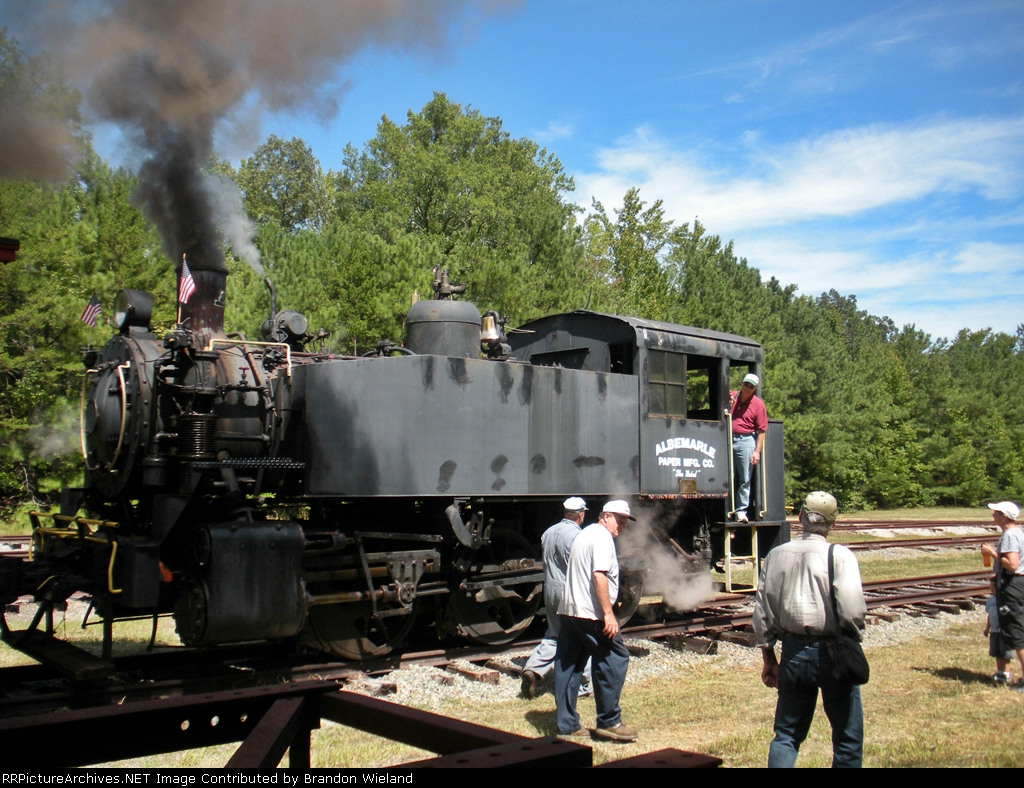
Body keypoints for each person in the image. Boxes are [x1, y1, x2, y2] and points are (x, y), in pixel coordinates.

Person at [753, 491, 867, 768]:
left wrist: (769, 657)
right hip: (832, 653)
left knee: (786, 735)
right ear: (833, 523)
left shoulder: (775, 555)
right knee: (847, 739)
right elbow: (853, 612)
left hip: (791, 652)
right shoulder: (840, 556)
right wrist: (852, 640)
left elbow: (761, 613)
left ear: (800, 517)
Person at [553, 500, 638, 742]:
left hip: (570, 609)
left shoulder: (585, 533)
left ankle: (567, 724)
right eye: (619, 520)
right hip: (590, 612)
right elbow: (599, 575)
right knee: (615, 657)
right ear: (606, 516)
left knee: (568, 665)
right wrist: (608, 614)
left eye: (625, 522)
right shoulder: (602, 538)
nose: (621, 526)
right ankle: (609, 721)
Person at [521, 497, 592, 699]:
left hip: (550, 590)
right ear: (581, 514)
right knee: (582, 637)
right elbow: (580, 568)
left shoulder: (548, 533)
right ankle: (583, 686)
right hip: (569, 592)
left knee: (554, 634)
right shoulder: (577, 536)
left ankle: (533, 669)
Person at [981, 501, 1024, 692]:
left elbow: (1012, 564)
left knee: (1016, 633)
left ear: (1004, 516)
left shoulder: (1009, 535)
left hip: (1012, 584)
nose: (993, 516)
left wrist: (992, 552)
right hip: (1017, 584)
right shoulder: (1019, 533)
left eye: (996, 513)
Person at [729, 372, 768, 522]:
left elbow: (762, 430)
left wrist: (757, 451)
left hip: (746, 441)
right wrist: (728, 402)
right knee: (728, 477)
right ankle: (727, 508)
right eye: (746, 385)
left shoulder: (758, 405)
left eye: (751, 387)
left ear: (754, 388)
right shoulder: (732, 396)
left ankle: (741, 511)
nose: (747, 388)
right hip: (727, 438)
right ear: (742, 384)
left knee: (744, 477)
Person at [983, 576, 1014, 685]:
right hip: (994, 631)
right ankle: (1000, 673)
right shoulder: (991, 600)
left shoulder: (1006, 599)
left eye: (994, 587)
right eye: (990, 587)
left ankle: (1007, 673)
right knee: (997, 652)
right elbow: (990, 616)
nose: (992, 589)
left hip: (1004, 631)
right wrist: (987, 628)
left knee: (1005, 653)